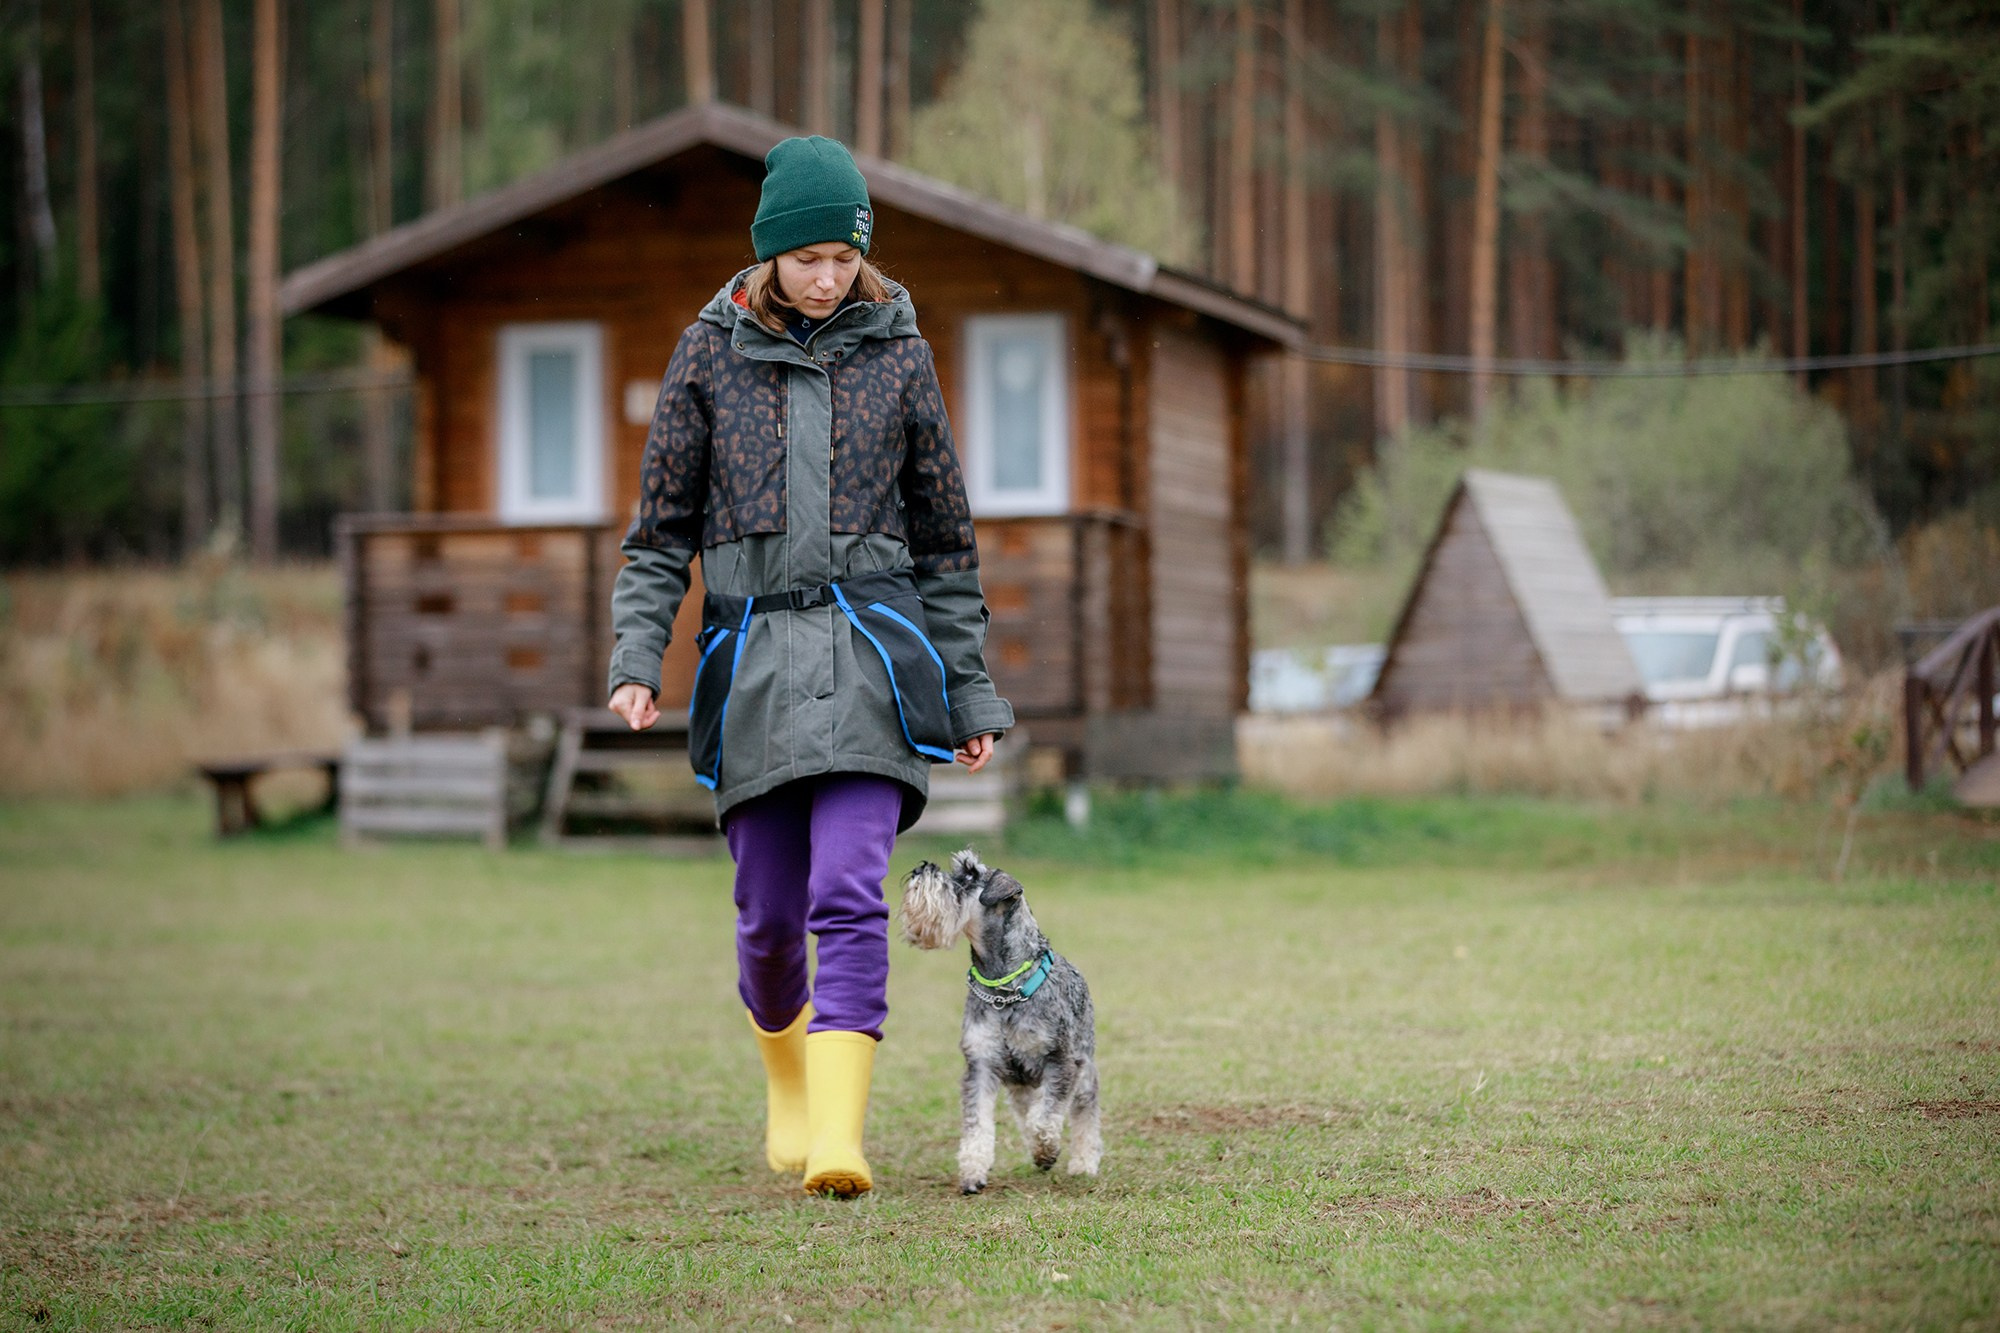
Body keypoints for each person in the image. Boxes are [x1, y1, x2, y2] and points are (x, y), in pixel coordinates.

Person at [605, 135, 1014, 1199]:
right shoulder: (705, 353)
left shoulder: (899, 352)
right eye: (807, 260)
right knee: (767, 914)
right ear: (768, 256)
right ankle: (788, 1082)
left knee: (846, 890)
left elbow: (945, 540)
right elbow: (658, 533)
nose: (827, 278)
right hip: (748, 670)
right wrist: (636, 657)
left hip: (872, 661)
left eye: (843, 258)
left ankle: (838, 1134)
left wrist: (968, 689)